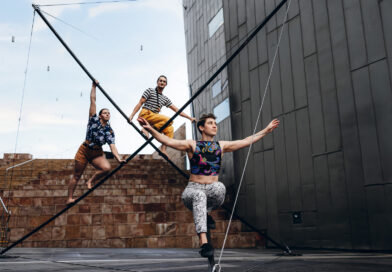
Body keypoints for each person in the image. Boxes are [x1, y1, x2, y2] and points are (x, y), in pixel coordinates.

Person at [138, 113, 279, 257]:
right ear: (201, 127)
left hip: (212, 191)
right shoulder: (192, 144)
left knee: (220, 187)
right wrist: (150, 129)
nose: (214, 126)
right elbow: (167, 141)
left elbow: (246, 140)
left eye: (215, 124)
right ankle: (204, 244)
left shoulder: (221, 146)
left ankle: (207, 213)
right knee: (199, 195)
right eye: (210, 123)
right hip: (192, 191)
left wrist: (266, 130)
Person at [67, 81, 125, 204]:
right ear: (99, 116)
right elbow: (93, 100)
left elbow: (112, 146)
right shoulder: (93, 119)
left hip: (97, 153)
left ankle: (90, 181)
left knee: (106, 168)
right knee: (77, 175)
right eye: (105, 112)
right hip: (84, 150)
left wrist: (118, 158)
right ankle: (69, 198)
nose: (107, 114)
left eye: (109, 113)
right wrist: (94, 87)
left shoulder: (109, 131)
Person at [129, 75, 196, 157]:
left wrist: (190, 118)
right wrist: (132, 115)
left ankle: (163, 149)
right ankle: (147, 128)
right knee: (169, 120)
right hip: (145, 114)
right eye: (160, 80)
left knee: (170, 129)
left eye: (164, 81)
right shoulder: (150, 90)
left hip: (154, 118)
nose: (162, 82)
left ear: (166, 84)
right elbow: (140, 103)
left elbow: (177, 110)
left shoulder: (165, 99)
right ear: (157, 82)